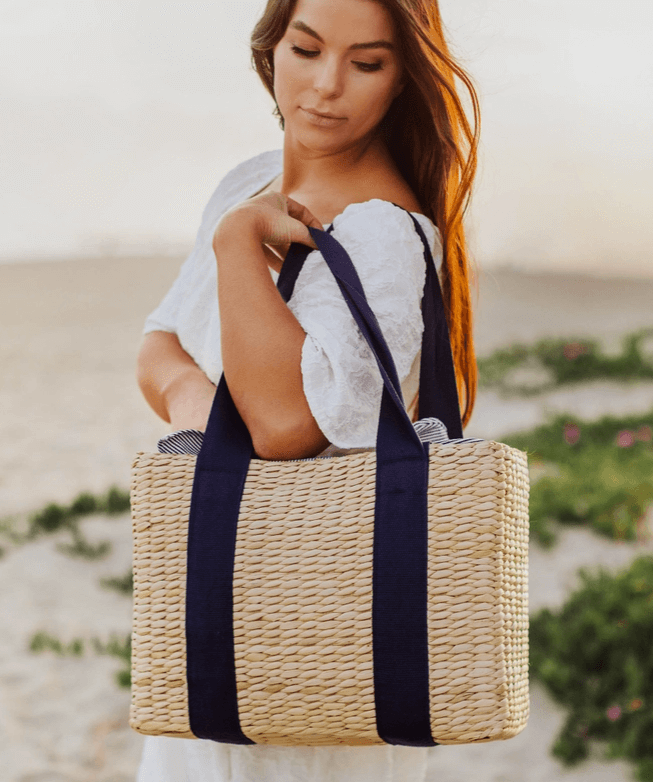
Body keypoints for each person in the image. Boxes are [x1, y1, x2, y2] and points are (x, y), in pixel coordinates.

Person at [134, 0, 480, 778]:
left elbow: (285, 426)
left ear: (401, 80)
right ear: (272, 47)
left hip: (325, 652)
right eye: (306, 48)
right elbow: (157, 348)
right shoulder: (247, 182)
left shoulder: (384, 233)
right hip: (225, 622)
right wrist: (199, 404)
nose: (327, 86)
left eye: (366, 63)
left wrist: (236, 244)